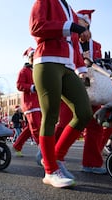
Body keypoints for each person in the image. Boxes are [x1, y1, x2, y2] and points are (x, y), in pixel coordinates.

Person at [29, 0, 92, 188]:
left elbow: (73, 42)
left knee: (84, 113)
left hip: (68, 66)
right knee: (50, 115)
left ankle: (57, 156)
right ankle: (50, 170)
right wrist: (71, 27)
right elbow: (36, 27)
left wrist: (82, 70)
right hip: (46, 61)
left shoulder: (70, 10)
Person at [75, 9, 107, 174]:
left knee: (95, 124)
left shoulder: (97, 45)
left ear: (87, 25)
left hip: (91, 88)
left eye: (80, 22)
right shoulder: (69, 40)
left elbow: (98, 68)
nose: (77, 25)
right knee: (69, 122)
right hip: (72, 85)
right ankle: (50, 154)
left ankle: (91, 163)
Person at [13, 47, 42, 159]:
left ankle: (17, 145)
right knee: (36, 127)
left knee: (30, 128)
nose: (33, 58)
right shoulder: (23, 71)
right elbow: (19, 85)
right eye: (31, 57)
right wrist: (32, 87)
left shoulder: (38, 69)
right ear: (29, 58)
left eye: (35, 56)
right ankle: (43, 149)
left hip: (39, 103)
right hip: (30, 104)